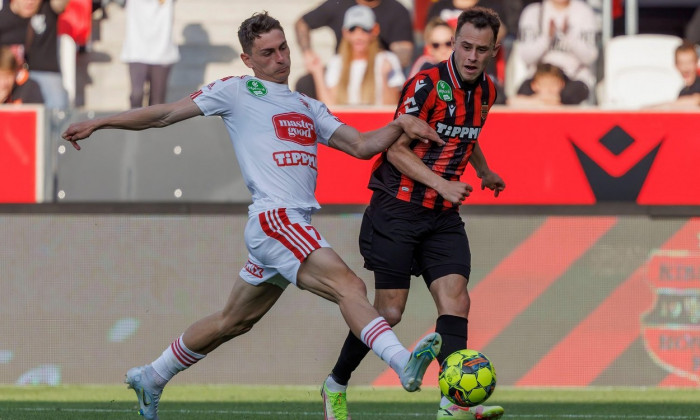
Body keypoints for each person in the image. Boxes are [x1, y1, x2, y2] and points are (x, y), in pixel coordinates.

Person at [62, 11, 445, 420]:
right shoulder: (236, 90)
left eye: (284, 49)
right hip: (276, 219)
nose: (280, 59)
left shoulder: (308, 105)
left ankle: (152, 376)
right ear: (248, 60)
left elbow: (363, 146)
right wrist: (101, 122)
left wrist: (401, 123)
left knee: (233, 321)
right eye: (268, 52)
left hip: (290, 226)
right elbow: (165, 114)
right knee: (349, 286)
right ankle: (403, 364)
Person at [321, 7, 506, 420]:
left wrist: (484, 170)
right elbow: (394, 148)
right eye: (465, 46)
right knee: (389, 312)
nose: (472, 56)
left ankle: (452, 405)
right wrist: (441, 183)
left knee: (456, 299)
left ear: (494, 51)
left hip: (441, 216)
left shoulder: (487, 91)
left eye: (481, 49)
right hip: (397, 210)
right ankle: (335, 383)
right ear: (454, 41)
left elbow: (466, 134)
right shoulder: (426, 85)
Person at [294, 0, 413, 98]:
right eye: (352, 30)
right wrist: (308, 54)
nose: (358, 36)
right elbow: (302, 22)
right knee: (306, 83)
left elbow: (403, 56)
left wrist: (383, 71)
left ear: (375, 31)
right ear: (345, 32)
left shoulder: (397, 10)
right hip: (344, 68)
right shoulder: (337, 63)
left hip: (377, 70)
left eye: (365, 30)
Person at [517, 0, 598, 104]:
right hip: (540, 79)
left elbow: (590, 56)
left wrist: (568, 36)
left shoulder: (584, 12)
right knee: (523, 91)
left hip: (572, 78)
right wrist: (546, 38)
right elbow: (526, 56)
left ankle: (542, 101)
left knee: (572, 94)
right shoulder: (533, 12)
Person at [0, 0, 69, 109]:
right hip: (11, 76)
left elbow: (60, 3)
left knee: (57, 104)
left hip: (44, 73)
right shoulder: (3, 18)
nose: (30, 2)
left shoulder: (47, 8)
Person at [120, 0, 180, 108]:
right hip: (136, 51)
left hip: (163, 52)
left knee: (157, 102)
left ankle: (151, 125)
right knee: (136, 95)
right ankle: (134, 123)